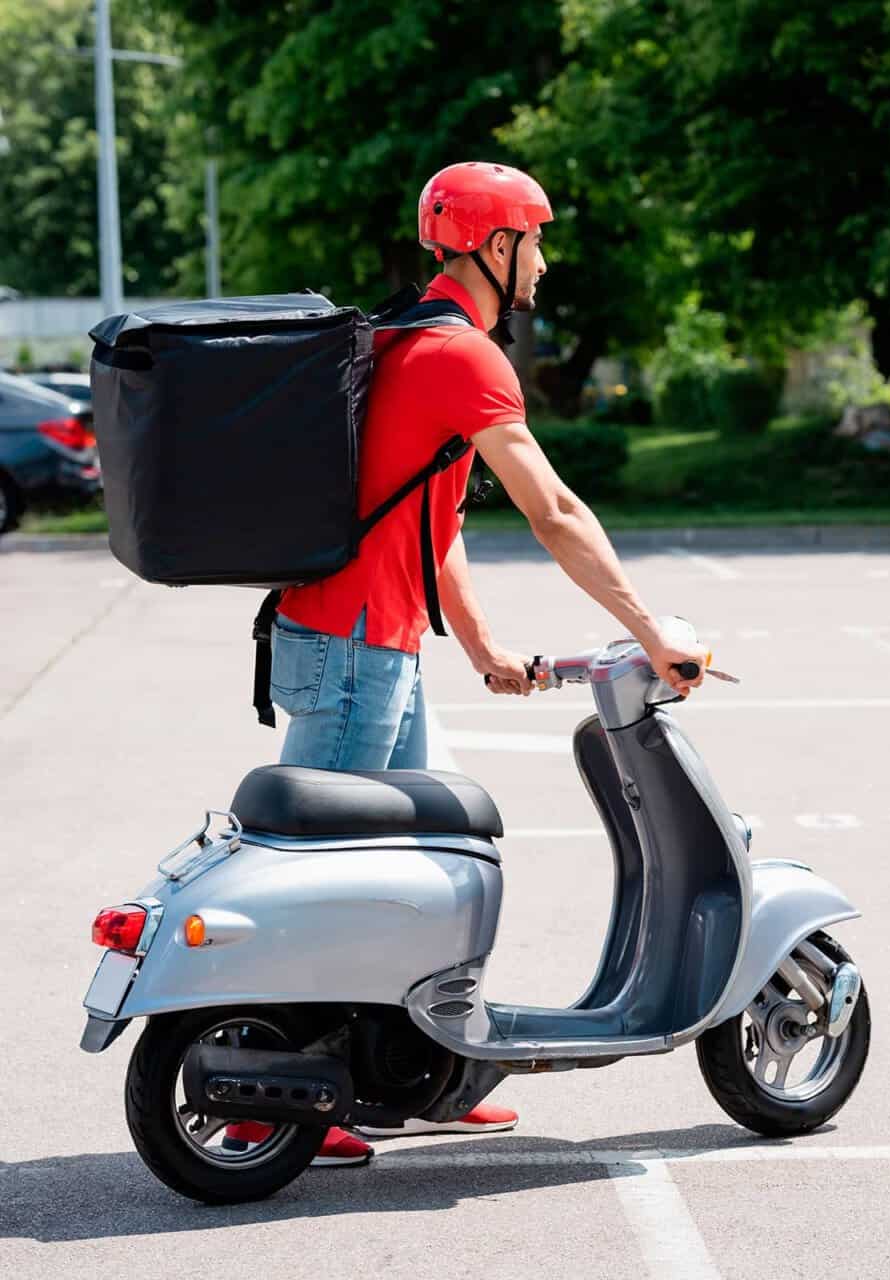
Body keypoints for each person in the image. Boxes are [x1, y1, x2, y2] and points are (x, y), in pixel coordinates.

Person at [223, 161, 707, 1169]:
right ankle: (261, 1093)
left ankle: (428, 1069)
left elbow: (430, 517)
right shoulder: (463, 358)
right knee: (320, 876)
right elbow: (555, 511)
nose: (546, 258)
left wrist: (483, 646)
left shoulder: (420, 339)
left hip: (375, 644)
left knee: (435, 855)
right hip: (352, 648)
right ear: (496, 247)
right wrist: (648, 622)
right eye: (537, 237)